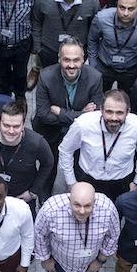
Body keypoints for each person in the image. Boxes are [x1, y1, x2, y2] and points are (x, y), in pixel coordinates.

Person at [35, 182, 120, 272]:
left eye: (87, 206)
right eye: (77, 205)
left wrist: (100, 260)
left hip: (90, 262)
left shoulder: (107, 209)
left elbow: (113, 236)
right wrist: (45, 259)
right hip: (59, 260)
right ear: (69, 199)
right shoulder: (51, 209)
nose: (82, 211)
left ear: (94, 201)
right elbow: (40, 234)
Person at [58, 90, 137, 200]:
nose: (114, 118)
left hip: (122, 183)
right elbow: (65, 150)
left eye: (119, 113)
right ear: (101, 110)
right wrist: (71, 182)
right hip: (87, 180)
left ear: (128, 112)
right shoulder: (83, 124)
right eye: (109, 112)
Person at [33, 38, 104, 185]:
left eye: (76, 60)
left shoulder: (95, 78)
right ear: (59, 59)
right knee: (49, 165)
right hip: (50, 129)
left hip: (81, 132)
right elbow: (43, 114)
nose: (71, 65)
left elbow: (95, 116)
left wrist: (60, 112)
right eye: (66, 60)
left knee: (80, 168)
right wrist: (81, 114)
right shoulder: (45, 76)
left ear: (83, 59)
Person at [0, 100, 54, 208]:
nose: (11, 131)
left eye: (16, 126)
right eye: (6, 125)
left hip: (21, 197)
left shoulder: (37, 143)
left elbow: (48, 163)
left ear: (23, 125)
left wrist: (33, 192)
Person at [31, 0, 99, 67]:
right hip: (48, 50)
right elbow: (36, 21)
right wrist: (38, 48)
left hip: (76, 53)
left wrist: (88, 53)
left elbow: (94, 29)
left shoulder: (91, 0)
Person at [88, 0, 137, 91]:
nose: (125, 13)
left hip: (131, 68)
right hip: (104, 66)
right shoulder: (102, 18)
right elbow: (92, 40)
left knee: (127, 99)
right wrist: (93, 65)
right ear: (116, 5)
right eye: (122, 8)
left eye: (131, 9)